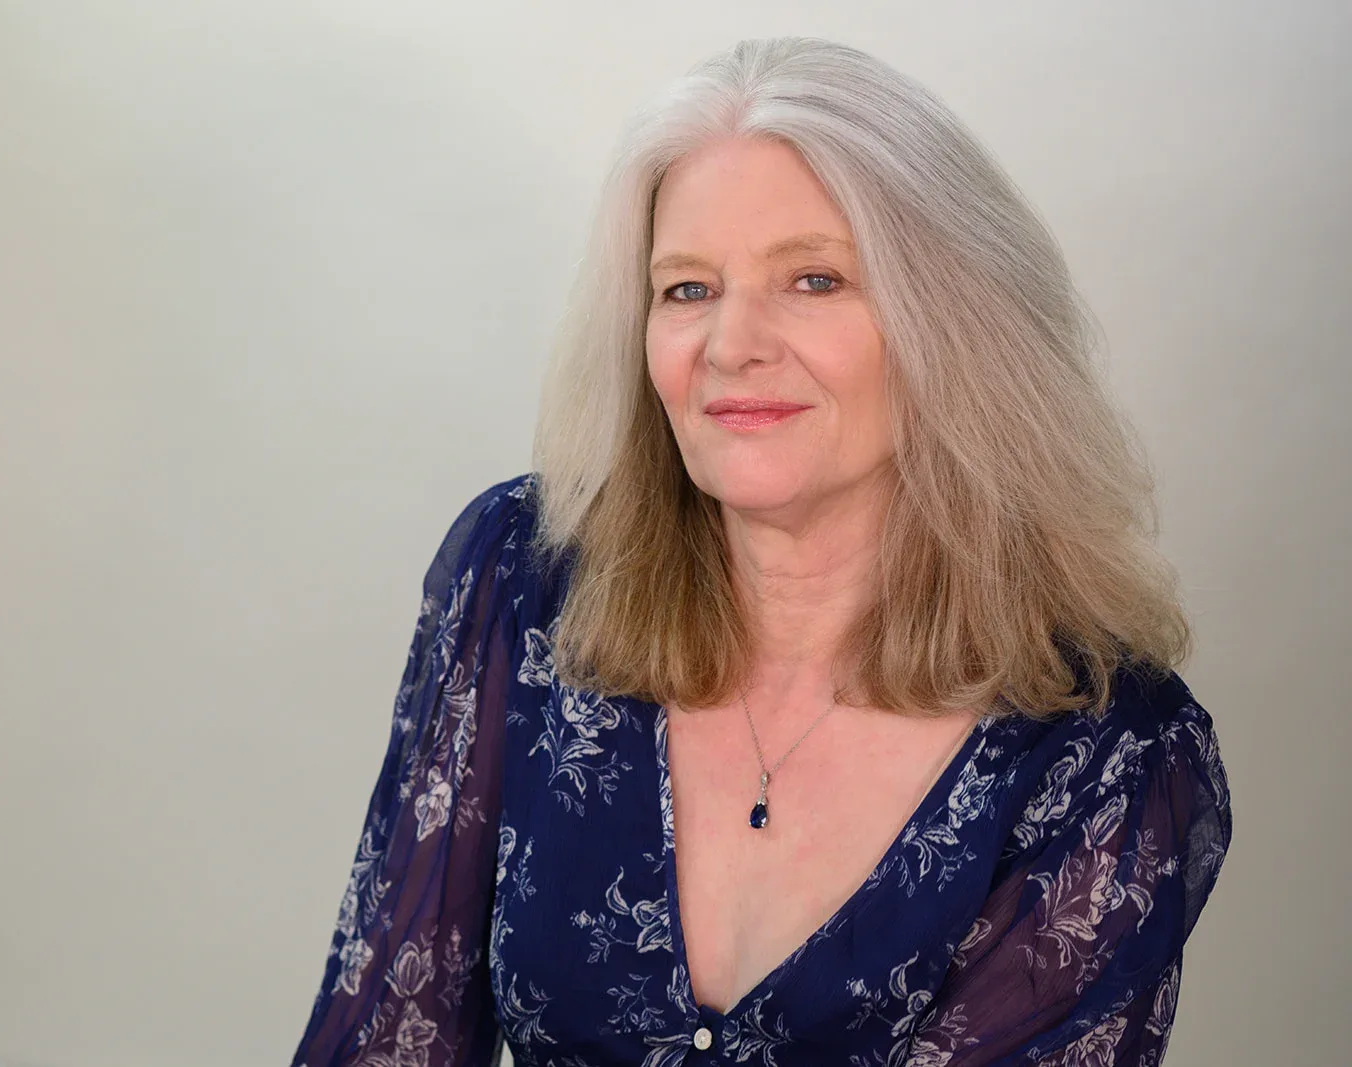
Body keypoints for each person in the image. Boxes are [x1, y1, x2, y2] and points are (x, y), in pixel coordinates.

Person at [290, 36, 1232, 1067]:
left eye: (814, 279)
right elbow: (383, 1039)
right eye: (686, 288)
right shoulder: (521, 579)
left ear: (953, 326)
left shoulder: (1103, 753)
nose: (731, 343)